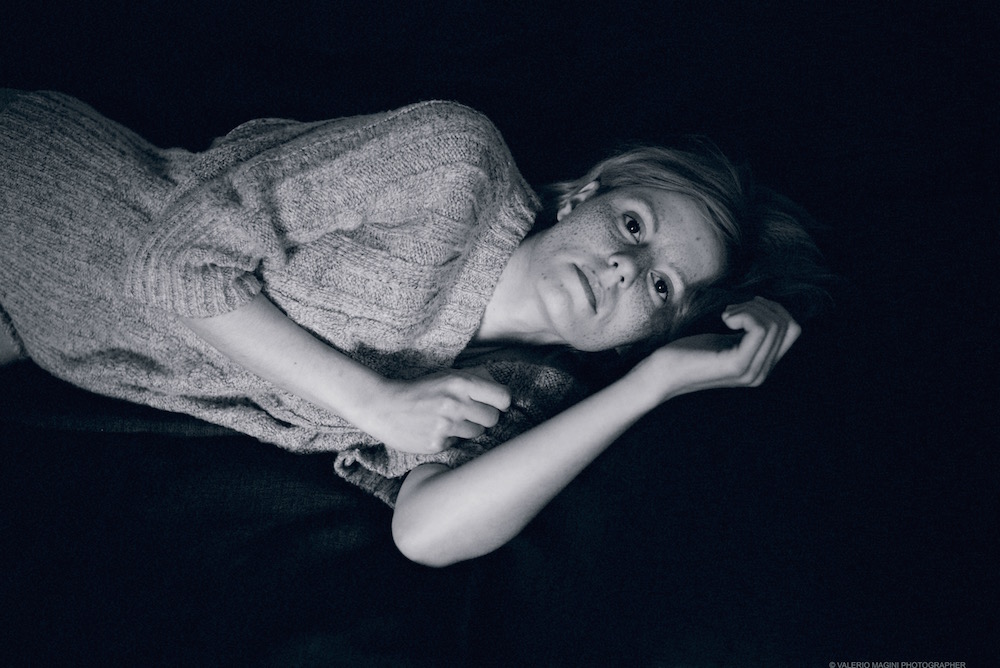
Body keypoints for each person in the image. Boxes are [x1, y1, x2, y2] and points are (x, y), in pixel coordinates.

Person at [0, 90, 830, 566]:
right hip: (40, 188)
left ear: (637, 338)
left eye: (659, 287)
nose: (622, 266)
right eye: (634, 226)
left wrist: (652, 386)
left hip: (43, 334)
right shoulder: (455, 165)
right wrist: (378, 405)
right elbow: (174, 266)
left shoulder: (523, 389)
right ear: (584, 195)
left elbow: (427, 532)